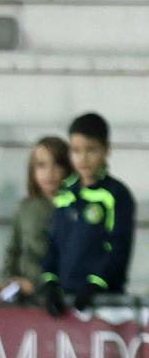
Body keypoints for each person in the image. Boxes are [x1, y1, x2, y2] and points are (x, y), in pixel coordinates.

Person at [41, 113, 135, 317]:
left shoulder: (116, 195)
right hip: (65, 302)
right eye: (76, 151)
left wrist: (95, 285)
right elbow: (53, 246)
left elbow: (119, 249)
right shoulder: (65, 194)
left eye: (91, 150)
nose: (82, 158)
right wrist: (49, 285)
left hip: (104, 303)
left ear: (106, 150)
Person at [0, 136, 70, 302]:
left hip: (59, 298)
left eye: (57, 164)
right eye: (41, 165)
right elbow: (12, 251)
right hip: (23, 297)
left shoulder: (74, 208)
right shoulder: (25, 208)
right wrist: (7, 283)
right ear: (32, 170)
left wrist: (37, 284)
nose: (49, 173)